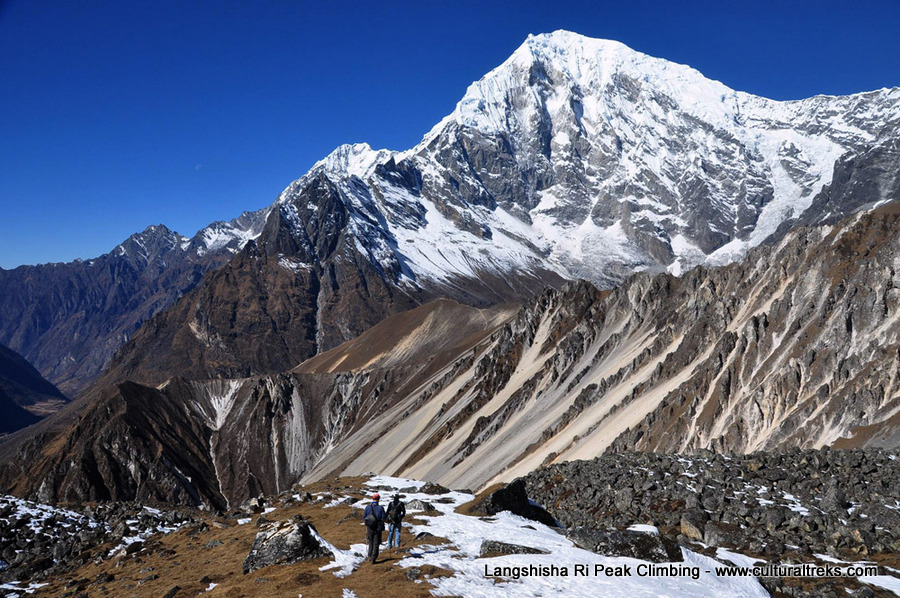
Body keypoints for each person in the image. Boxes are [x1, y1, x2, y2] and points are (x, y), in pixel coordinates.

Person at [362, 493, 386, 563]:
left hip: (369, 527)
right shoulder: (381, 508)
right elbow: (383, 517)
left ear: (373, 499)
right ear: (378, 499)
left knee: (370, 542)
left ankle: (369, 555)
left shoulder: (367, 507)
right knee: (376, 543)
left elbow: (364, 517)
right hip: (377, 527)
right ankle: (373, 558)